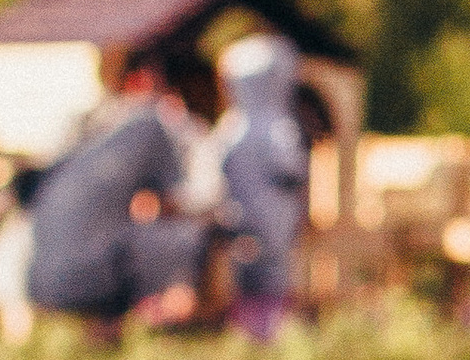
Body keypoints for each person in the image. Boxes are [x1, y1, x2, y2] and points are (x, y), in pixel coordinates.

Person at [24, 44, 221, 339]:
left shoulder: (81, 124)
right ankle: (178, 331)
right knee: (185, 233)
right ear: (142, 79)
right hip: (87, 274)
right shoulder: (148, 126)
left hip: (36, 277)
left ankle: (104, 330)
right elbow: (195, 199)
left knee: (109, 232)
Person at [213, 30, 318, 342]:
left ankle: (254, 335)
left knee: (256, 276)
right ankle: (263, 336)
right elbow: (293, 170)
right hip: (269, 222)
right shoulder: (277, 128)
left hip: (246, 219)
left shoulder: (231, 126)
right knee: (267, 278)